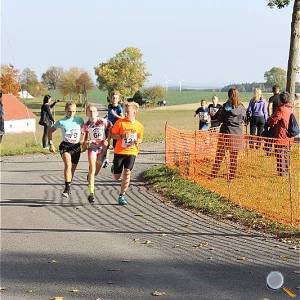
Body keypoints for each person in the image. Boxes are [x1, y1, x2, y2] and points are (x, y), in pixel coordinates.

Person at [48, 102, 84, 197]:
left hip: (76, 147)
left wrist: (83, 141)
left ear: (75, 111)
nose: (71, 113)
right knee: (68, 165)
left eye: (73, 111)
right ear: (65, 111)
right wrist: (51, 144)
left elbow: (84, 131)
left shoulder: (79, 120)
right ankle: (67, 189)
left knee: (72, 170)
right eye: (69, 111)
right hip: (65, 146)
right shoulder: (61, 122)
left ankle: (68, 185)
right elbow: (50, 131)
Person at [111, 101, 144, 205]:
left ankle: (122, 195)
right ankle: (114, 168)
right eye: (125, 111)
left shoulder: (139, 126)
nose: (125, 113)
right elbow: (112, 135)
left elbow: (140, 139)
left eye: (127, 111)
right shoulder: (120, 122)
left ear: (134, 112)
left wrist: (138, 141)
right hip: (119, 151)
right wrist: (122, 136)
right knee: (117, 177)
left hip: (132, 151)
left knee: (127, 172)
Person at [210, 88, 246, 180]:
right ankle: (232, 176)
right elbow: (245, 119)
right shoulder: (242, 107)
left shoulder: (225, 106)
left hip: (225, 134)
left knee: (219, 156)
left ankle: (213, 174)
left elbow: (219, 119)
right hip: (237, 135)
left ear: (228, 95)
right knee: (233, 158)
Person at [81, 104, 111, 203]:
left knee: (96, 172)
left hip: (102, 148)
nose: (92, 113)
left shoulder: (103, 121)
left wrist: (107, 139)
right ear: (87, 113)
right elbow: (84, 139)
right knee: (92, 170)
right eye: (90, 111)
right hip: (92, 148)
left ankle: (90, 176)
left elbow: (110, 128)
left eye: (94, 111)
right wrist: (86, 143)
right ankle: (91, 194)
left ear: (97, 112)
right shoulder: (86, 125)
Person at [268, 92, 294, 176]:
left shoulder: (281, 109)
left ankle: (282, 173)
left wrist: (270, 122)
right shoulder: (291, 108)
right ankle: (286, 171)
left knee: (280, 153)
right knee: (286, 153)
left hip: (281, 134)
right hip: (289, 134)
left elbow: (274, 120)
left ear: (281, 99)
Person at [105, 91, 124, 167]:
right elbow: (109, 115)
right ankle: (106, 160)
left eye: (116, 98)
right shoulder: (109, 106)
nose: (114, 99)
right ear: (110, 98)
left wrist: (115, 114)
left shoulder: (119, 107)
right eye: (113, 98)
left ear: (118, 99)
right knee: (107, 143)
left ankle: (115, 160)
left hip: (116, 129)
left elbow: (122, 118)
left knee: (115, 145)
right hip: (109, 127)